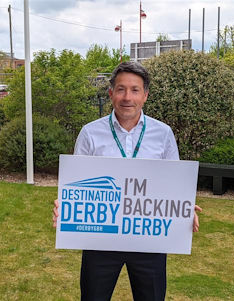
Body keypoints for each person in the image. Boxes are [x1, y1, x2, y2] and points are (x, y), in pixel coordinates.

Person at [53, 61, 202, 301]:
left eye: (134, 90)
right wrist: (66, 205)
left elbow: (173, 181)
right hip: (100, 240)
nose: (127, 97)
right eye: (121, 89)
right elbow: (78, 183)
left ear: (145, 95)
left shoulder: (163, 134)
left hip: (149, 240)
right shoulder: (90, 133)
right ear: (111, 93)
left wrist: (184, 208)